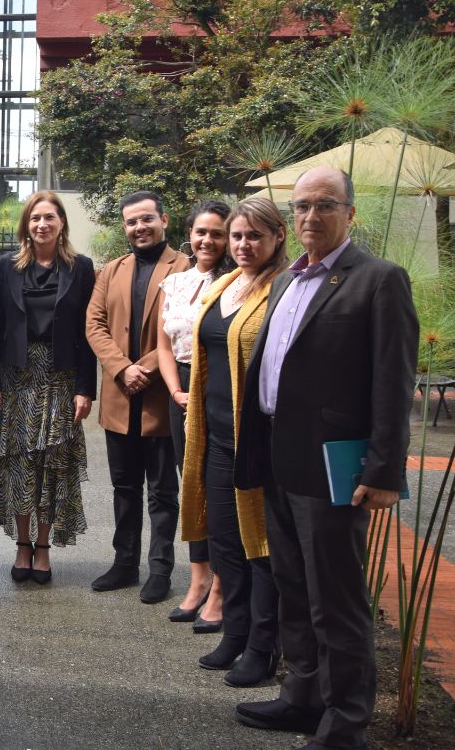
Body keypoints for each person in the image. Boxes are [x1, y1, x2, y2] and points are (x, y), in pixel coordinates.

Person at [234, 167, 417, 749]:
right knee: (294, 586)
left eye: (325, 205)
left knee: (337, 599)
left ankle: (345, 723)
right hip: (278, 459)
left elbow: (393, 381)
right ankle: (302, 696)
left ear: (350, 213)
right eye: (303, 206)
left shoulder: (378, 280)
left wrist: (385, 471)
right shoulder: (288, 281)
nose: (311, 216)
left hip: (333, 468)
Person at [179, 199, 287, 688]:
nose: (244, 245)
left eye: (253, 237)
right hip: (216, 435)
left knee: (259, 547)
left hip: (258, 442)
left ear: (278, 238)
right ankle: (236, 633)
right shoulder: (224, 285)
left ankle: (263, 647)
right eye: (238, 236)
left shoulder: (282, 288)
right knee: (224, 541)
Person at [0, 191, 95, 583]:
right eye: (35, 218)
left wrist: (85, 387)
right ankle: (22, 544)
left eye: (49, 217)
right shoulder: (8, 267)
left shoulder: (81, 268)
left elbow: (87, 332)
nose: (42, 224)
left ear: (62, 222)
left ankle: (43, 547)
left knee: (53, 465)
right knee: (19, 464)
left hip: (60, 377)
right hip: (17, 377)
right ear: (26, 226)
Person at [85, 190, 190, 603]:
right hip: (118, 396)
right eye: (131, 222)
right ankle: (124, 562)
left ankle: (160, 568)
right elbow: (94, 323)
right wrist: (119, 367)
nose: (139, 227)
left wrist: (142, 368)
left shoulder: (186, 269)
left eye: (146, 219)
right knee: (124, 486)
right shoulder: (112, 270)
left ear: (164, 219)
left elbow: (186, 327)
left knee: (162, 491)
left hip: (161, 396)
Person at [156, 200, 230, 630]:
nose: (208, 240)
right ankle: (198, 577)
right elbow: (165, 343)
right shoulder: (177, 282)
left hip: (219, 387)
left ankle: (222, 584)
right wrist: (175, 390)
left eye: (217, 233)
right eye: (202, 232)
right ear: (190, 234)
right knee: (191, 487)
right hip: (180, 389)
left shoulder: (238, 282)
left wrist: (197, 390)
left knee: (218, 485)